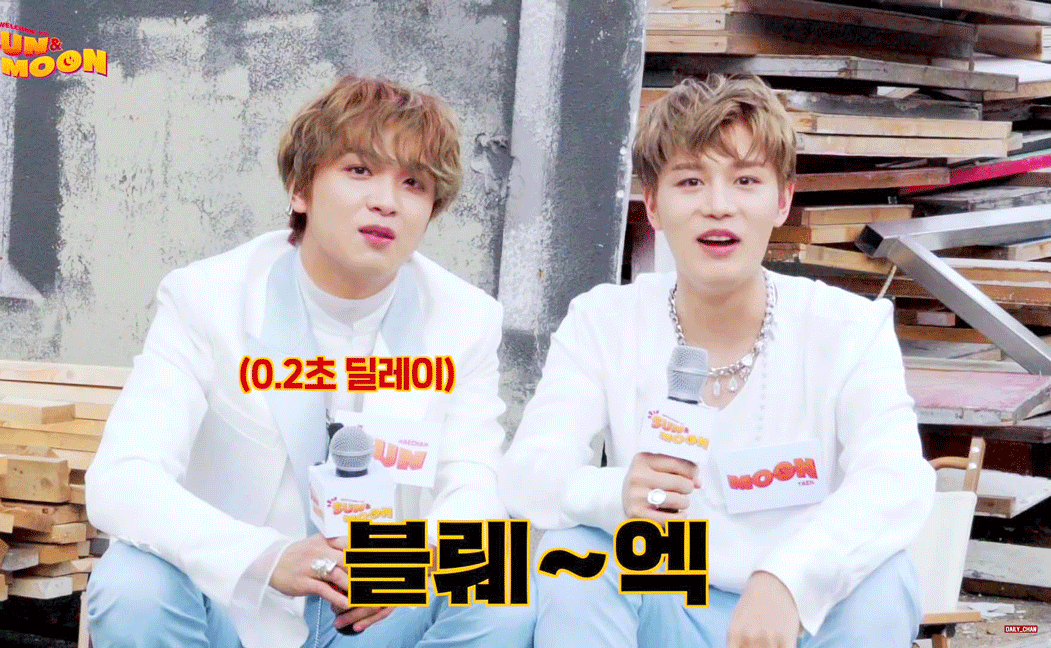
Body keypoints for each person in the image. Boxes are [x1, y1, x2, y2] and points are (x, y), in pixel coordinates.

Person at [86, 75, 535, 648]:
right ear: (300, 188)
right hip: (236, 606)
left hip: (378, 615)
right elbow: (123, 477)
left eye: (414, 183)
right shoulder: (206, 299)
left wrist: (408, 566)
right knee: (131, 581)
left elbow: (473, 481)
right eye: (359, 170)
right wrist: (265, 557)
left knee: (503, 577)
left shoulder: (464, 319)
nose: (386, 201)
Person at [500, 75, 935, 648]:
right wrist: (616, 492)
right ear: (653, 205)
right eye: (690, 181)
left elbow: (896, 479)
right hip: (665, 591)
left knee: (886, 578)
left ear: (783, 200)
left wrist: (788, 578)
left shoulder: (848, 327)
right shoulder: (604, 321)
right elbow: (528, 474)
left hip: (797, 613)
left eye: (746, 180)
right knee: (574, 556)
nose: (718, 206)